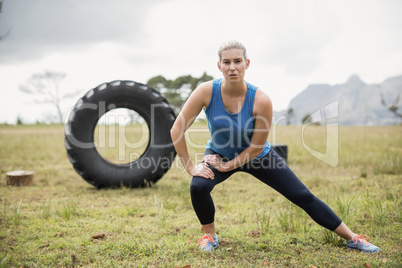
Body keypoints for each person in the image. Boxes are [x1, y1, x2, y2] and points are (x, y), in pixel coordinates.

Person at [170, 40, 380, 253]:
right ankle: (210, 235)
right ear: (219, 65)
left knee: (302, 196)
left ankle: (353, 238)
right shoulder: (206, 92)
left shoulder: (261, 100)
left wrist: (228, 166)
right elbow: (176, 129)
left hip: (258, 156)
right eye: (226, 62)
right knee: (198, 186)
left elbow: (256, 147)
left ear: (247, 63)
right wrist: (191, 167)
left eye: (237, 61)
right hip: (219, 154)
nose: (232, 67)